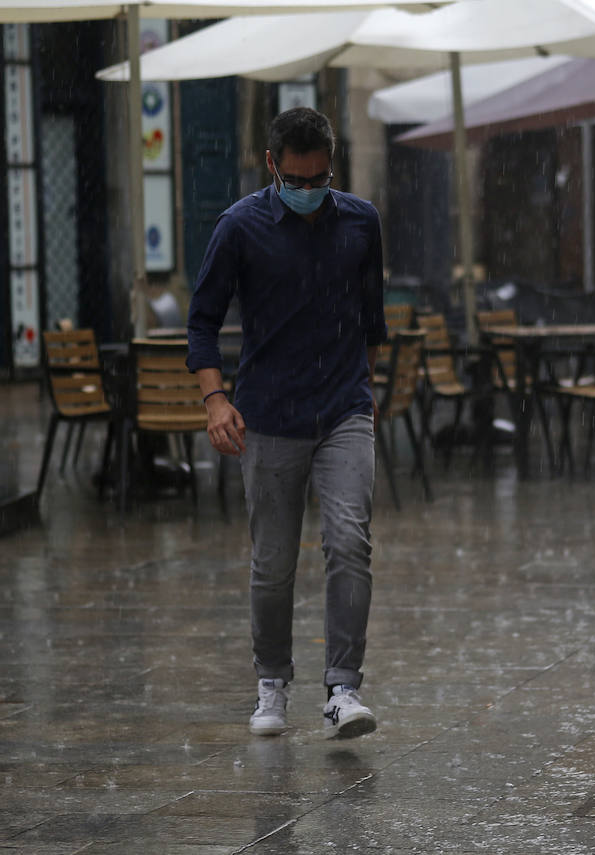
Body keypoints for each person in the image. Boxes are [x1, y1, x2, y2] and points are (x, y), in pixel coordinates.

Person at [187, 107, 387, 740]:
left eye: (320, 177)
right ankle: (271, 682)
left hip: (344, 411)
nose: (309, 190)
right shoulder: (239, 228)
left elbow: (372, 321)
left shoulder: (361, 222)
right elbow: (201, 324)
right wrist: (216, 400)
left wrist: (366, 391)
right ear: (271, 166)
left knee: (350, 542)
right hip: (269, 416)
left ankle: (342, 688)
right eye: (296, 180)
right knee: (273, 563)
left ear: (334, 166)